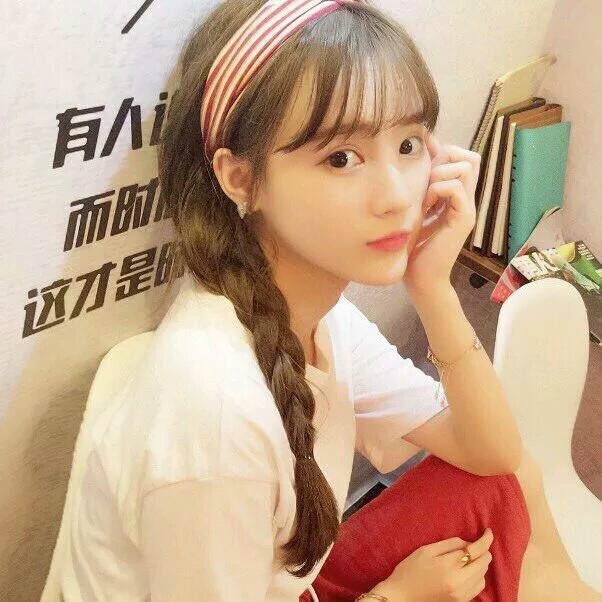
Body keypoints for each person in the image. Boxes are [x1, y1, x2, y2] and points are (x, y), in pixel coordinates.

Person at [66, 1, 602, 601]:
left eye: (409, 144)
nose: (396, 196)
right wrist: (396, 597)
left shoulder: (320, 319)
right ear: (241, 179)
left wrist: (432, 288)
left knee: (510, 481)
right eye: (341, 158)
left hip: (285, 579)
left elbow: (494, 452)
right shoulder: (216, 417)